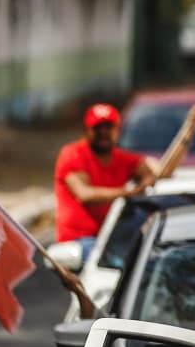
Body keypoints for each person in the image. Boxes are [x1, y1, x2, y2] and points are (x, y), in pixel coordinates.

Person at [54, 103, 157, 255]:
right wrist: (129, 192)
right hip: (80, 241)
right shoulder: (73, 154)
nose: (103, 133)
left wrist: (147, 180)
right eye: (97, 128)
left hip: (112, 238)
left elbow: (152, 171)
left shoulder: (122, 159)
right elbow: (85, 194)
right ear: (86, 131)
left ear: (118, 130)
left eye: (108, 127)